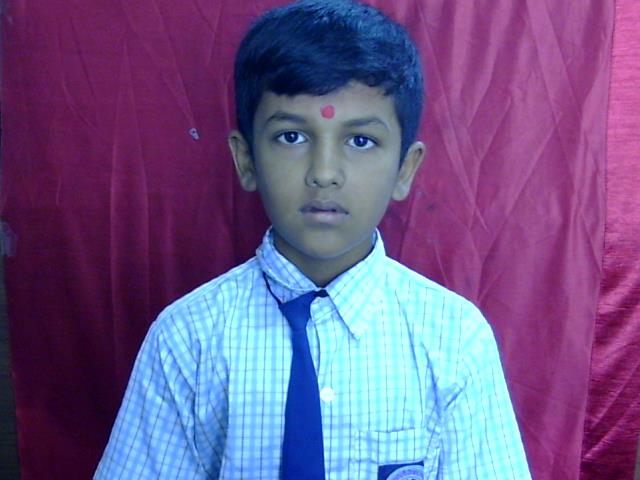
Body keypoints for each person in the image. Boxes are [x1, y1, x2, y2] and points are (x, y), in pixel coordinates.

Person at [94, 0, 531, 478]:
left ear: (405, 169)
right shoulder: (187, 339)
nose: (324, 173)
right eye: (291, 137)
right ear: (245, 160)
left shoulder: (453, 339)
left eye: (360, 141)